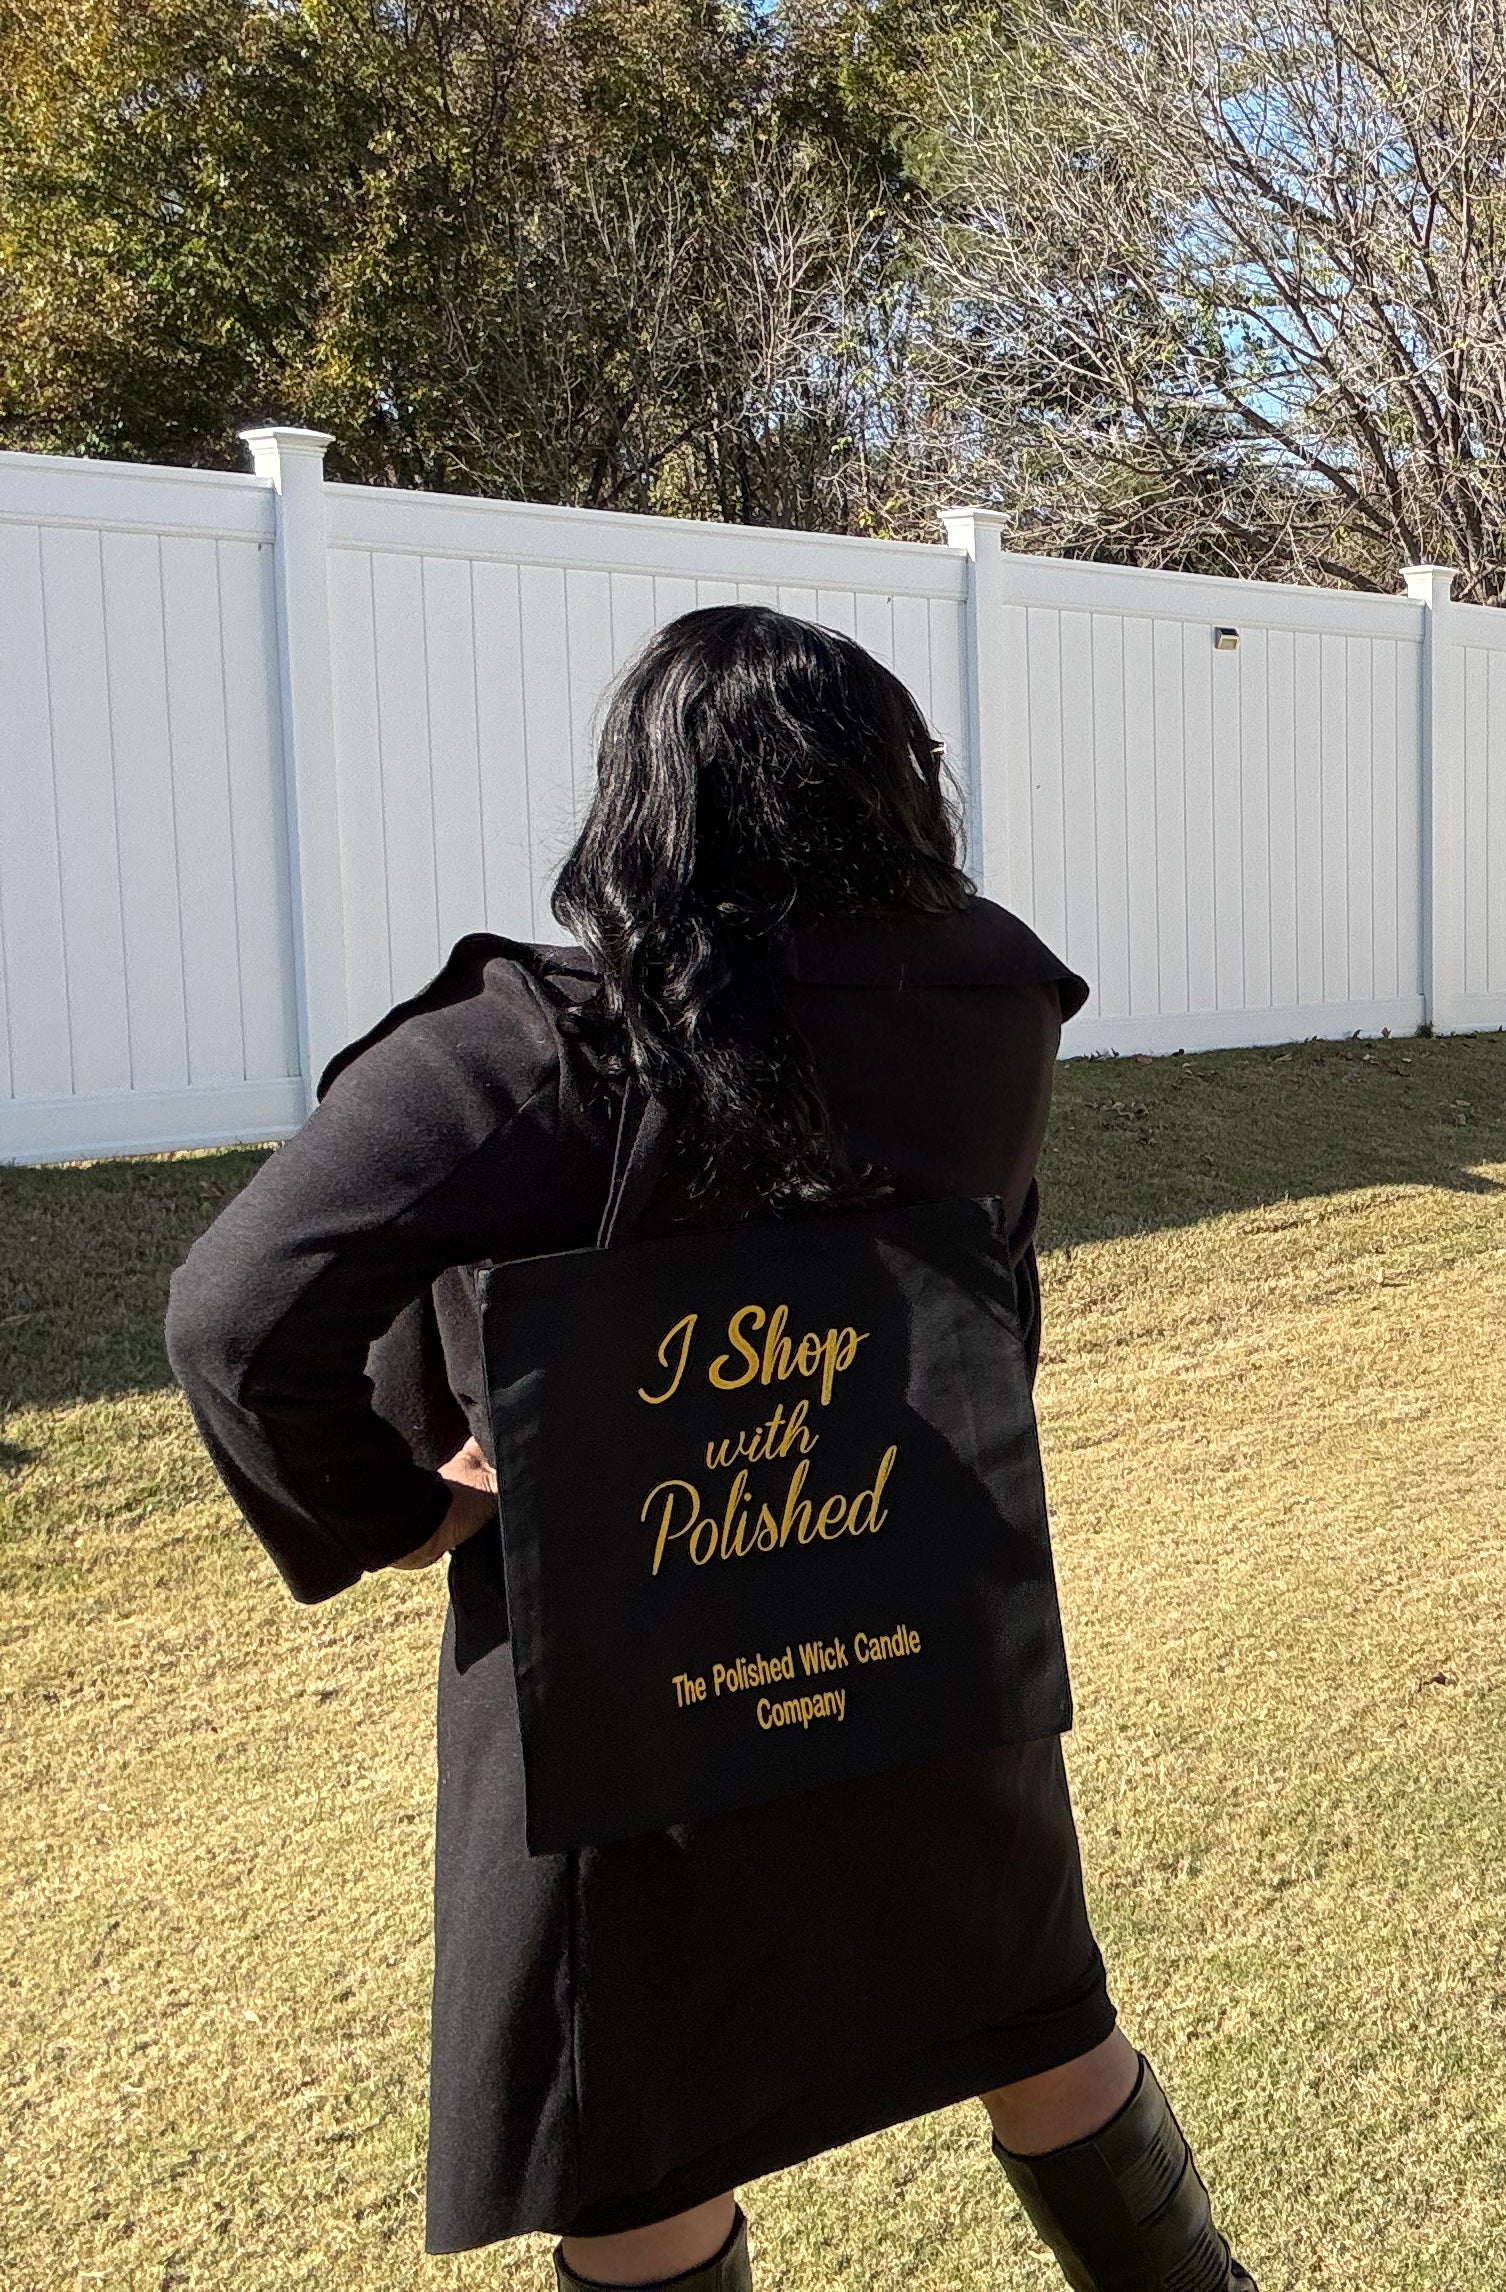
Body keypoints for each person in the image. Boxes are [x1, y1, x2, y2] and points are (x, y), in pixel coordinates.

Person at [164, 606, 1256, 2291]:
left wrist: (393, 1513)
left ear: (647, 800)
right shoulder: (989, 1002)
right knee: (1037, 2025)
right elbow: (993, 1294)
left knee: (642, 2154)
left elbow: (237, 1318)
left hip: (636, 1693)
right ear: (891, 783)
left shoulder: (535, 1054)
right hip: (908, 1611)